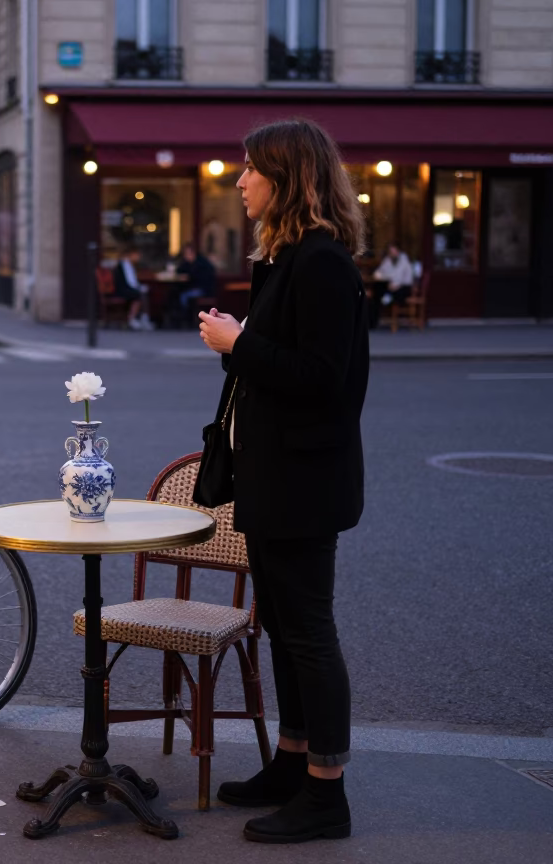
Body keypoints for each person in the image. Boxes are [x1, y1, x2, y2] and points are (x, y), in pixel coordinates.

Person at [198, 118, 368, 845]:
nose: (239, 180)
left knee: (308, 635)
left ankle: (326, 795)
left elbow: (328, 381)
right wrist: (244, 343)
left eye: (250, 169)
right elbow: (286, 360)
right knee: (286, 631)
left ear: (288, 178)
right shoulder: (291, 258)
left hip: (303, 484)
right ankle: (292, 765)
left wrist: (239, 344)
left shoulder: (322, 263)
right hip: (277, 481)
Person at [170, 242, 217, 328]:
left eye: (188, 253)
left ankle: (186, 319)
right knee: (174, 294)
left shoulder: (202, 263)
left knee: (184, 296)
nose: (186, 256)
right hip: (190, 288)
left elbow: (203, 278)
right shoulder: (186, 263)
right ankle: (177, 319)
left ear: (193, 253)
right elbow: (179, 271)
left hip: (203, 289)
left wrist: (189, 277)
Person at [112, 244, 153, 330]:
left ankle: (143, 317)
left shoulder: (129, 265)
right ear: (131, 254)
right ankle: (132, 318)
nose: (138, 257)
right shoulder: (124, 265)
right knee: (139, 294)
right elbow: (130, 282)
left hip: (126, 288)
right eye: (137, 254)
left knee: (144, 292)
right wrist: (138, 287)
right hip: (122, 290)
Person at [372, 243, 414, 319]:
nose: (392, 253)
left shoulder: (404, 261)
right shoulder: (387, 260)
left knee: (391, 293)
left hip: (402, 286)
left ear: (398, 251)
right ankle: (378, 310)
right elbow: (380, 271)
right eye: (390, 252)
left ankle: (385, 301)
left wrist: (397, 285)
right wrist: (377, 275)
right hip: (390, 286)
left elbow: (408, 279)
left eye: (394, 251)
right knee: (377, 287)